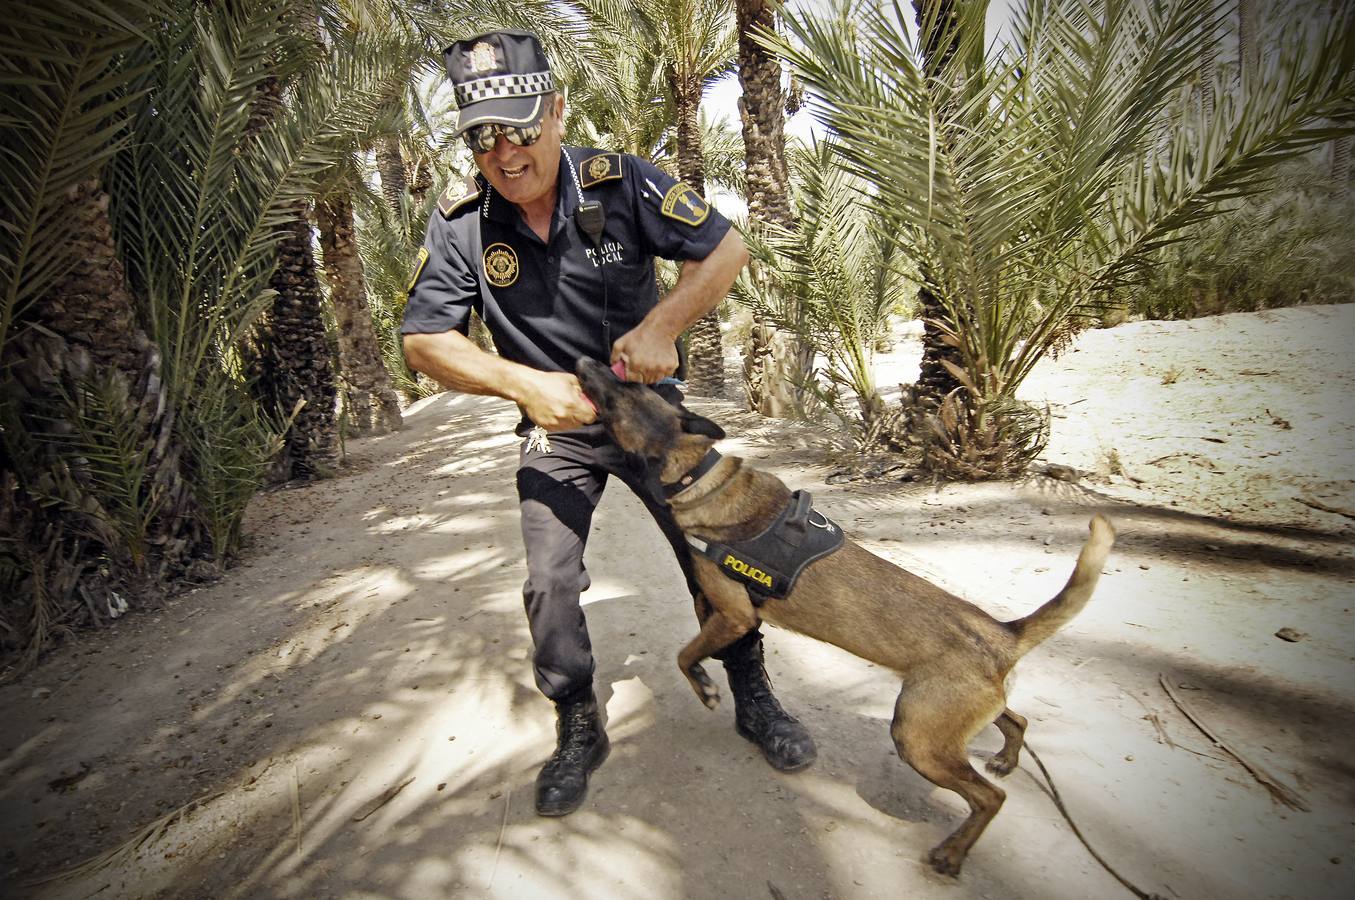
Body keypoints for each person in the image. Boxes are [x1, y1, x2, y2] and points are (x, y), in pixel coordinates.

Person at [401, 29, 816, 817]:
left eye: (522, 127)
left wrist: (662, 326)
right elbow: (424, 340)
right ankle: (576, 721)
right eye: (483, 135)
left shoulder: (621, 181)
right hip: (557, 429)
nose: (505, 152)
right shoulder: (460, 224)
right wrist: (521, 384)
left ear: (556, 111)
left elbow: (725, 249)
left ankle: (752, 692)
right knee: (549, 580)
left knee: (716, 556)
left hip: (651, 418)